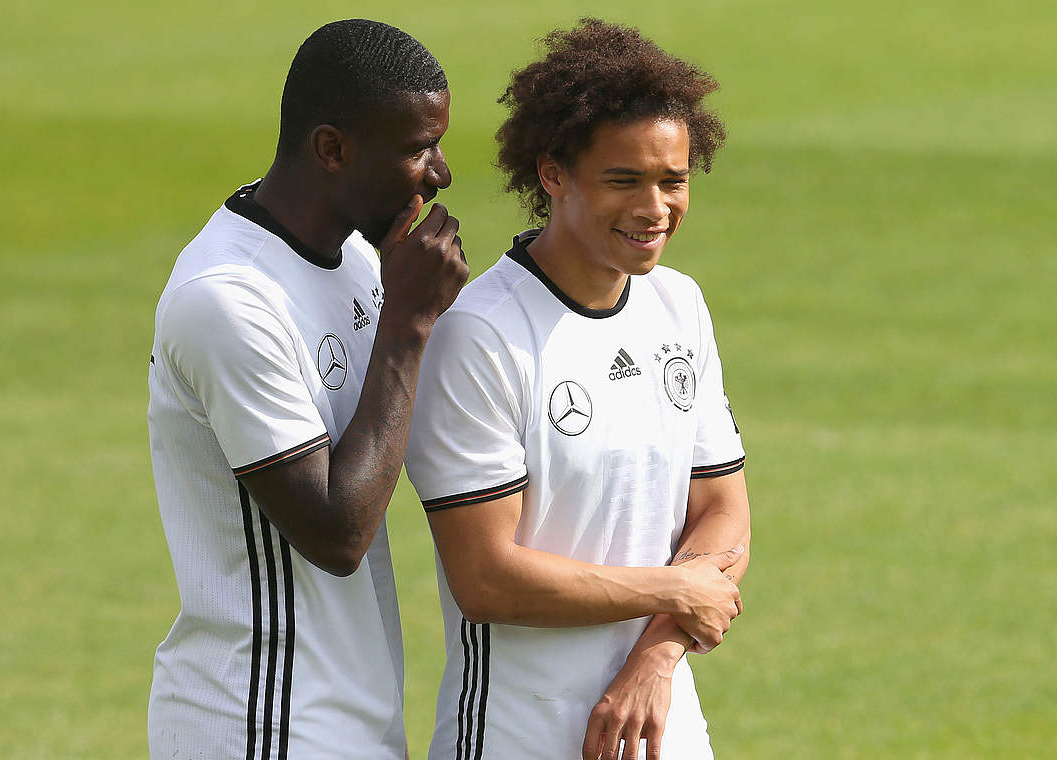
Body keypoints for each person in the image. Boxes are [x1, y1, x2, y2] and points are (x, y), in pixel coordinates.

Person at [405, 18, 750, 760]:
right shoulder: (480, 336)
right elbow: (487, 577)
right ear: (553, 173)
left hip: (664, 726)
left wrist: (654, 660)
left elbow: (722, 511)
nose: (654, 208)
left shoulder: (679, 306)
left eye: (673, 180)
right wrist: (672, 591)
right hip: (517, 736)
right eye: (623, 180)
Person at [146, 20, 467, 760]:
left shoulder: (359, 259)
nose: (440, 172)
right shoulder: (228, 299)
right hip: (261, 721)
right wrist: (407, 324)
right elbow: (336, 531)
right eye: (418, 147)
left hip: (349, 716)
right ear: (332, 149)